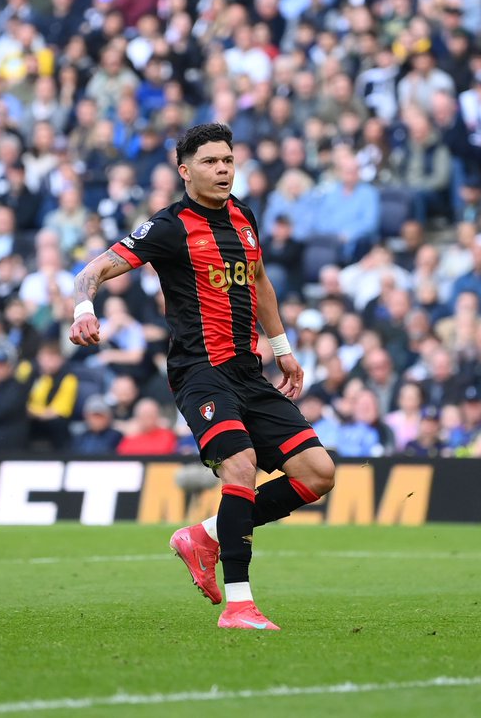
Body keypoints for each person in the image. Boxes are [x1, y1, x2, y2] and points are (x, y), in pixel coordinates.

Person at [68, 123, 336, 632]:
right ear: (185, 171)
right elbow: (91, 271)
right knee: (241, 466)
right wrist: (84, 308)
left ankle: (206, 535)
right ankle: (239, 605)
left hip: (248, 371)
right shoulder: (169, 227)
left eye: (228, 160)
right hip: (200, 371)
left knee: (318, 473)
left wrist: (283, 349)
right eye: (211, 162)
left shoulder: (244, 217)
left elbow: (259, 282)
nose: (223, 170)